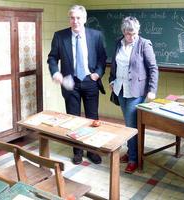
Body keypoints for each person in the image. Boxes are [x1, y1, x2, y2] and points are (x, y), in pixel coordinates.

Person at [47, 5, 107, 165]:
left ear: (85, 19)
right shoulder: (60, 36)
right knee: (73, 118)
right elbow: (52, 58)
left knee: (92, 118)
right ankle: (77, 151)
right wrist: (55, 73)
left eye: (78, 18)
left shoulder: (96, 35)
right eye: (72, 18)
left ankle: (92, 151)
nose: (75, 21)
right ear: (69, 19)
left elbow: (103, 58)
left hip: (90, 81)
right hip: (70, 83)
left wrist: (97, 74)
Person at [109, 16, 158, 173]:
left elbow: (153, 68)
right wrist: (111, 81)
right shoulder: (118, 43)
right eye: (129, 33)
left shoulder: (144, 44)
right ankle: (132, 152)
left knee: (130, 126)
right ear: (123, 31)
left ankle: (133, 160)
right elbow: (114, 64)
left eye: (135, 33)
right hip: (120, 88)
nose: (132, 36)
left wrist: (152, 90)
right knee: (129, 124)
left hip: (136, 91)